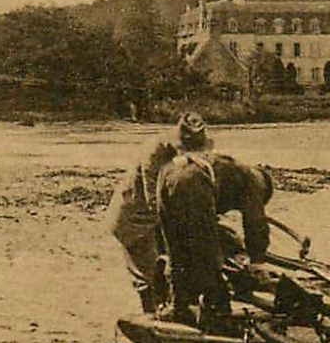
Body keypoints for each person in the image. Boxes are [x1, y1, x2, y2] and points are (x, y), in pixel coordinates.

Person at [104, 112, 212, 313]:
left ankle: (178, 307)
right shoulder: (154, 151)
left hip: (158, 215)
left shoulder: (189, 152)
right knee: (148, 271)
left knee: (173, 264)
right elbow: (153, 196)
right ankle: (153, 316)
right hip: (135, 217)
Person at [155, 152, 274, 329]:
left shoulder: (230, 169)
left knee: (176, 250)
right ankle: (217, 315)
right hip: (193, 181)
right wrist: (257, 263)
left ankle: (179, 307)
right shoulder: (255, 180)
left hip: (166, 175)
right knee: (208, 255)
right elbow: (255, 223)